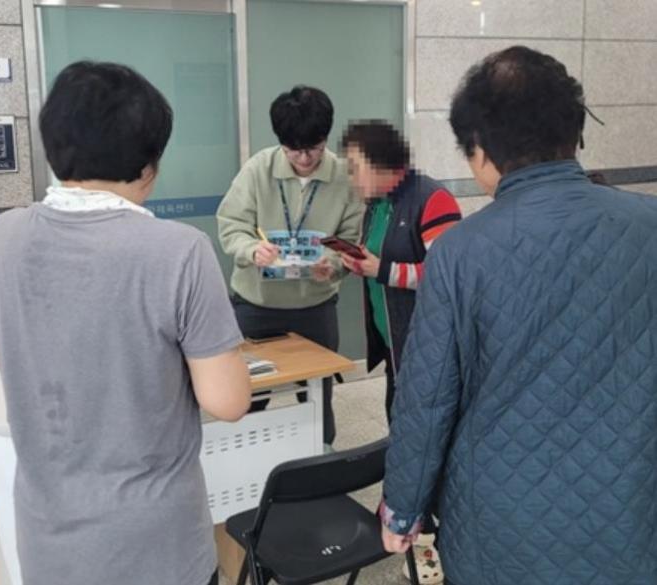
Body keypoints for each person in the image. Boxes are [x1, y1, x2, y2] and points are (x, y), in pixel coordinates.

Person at [380, 45, 657, 585]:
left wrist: (402, 509)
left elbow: (427, 397)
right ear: (574, 134)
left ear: (481, 150)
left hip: (501, 520)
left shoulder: (460, 252)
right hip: (633, 507)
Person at [0, 62, 251, 585]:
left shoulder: (0, 239)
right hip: (157, 547)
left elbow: (13, 364)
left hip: (48, 545)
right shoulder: (178, 251)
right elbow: (229, 401)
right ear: (149, 166)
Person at [339, 121, 460, 585]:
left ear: (382, 163)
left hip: (424, 346)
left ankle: (427, 528)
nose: (351, 177)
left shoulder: (433, 199)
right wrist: (359, 265)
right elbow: (379, 262)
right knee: (401, 425)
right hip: (394, 344)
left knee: (423, 435)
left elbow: (448, 274)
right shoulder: (378, 205)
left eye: (355, 167)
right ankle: (409, 511)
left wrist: (383, 270)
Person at [217, 85, 362, 445]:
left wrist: (333, 264)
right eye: (293, 149)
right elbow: (231, 224)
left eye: (314, 148)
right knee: (248, 399)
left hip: (314, 306)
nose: (304, 158)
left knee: (317, 400)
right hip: (256, 305)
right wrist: (252, 249)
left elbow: (351, 238)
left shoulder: (344, 177)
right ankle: (246, 464)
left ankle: (319, 459)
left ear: (325, 138)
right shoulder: (258, 169)